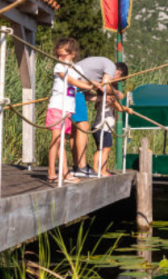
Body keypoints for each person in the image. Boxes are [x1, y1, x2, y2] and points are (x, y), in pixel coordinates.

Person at [46, 38, 102, 183]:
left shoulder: (77, 69)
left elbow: (81, 82)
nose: (60, 58)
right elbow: (71, 81)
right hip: (57, 106)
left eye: (63, 55)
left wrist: (93, 83)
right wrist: (88, 86)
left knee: (61, 141)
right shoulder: (59, 67)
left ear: (73, 54)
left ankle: (56, 172)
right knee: (56, 140)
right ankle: (58, 172)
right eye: (58, 55)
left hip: (68, 110)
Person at [70, 58, 128, 178]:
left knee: (74, 129)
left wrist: (102, 99)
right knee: (83, 126)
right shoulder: (111, 67)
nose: (115, 81)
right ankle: (82, 167)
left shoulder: (98, 73)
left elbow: (87, 97)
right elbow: (104, 87)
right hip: (74, 88)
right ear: (118, 73)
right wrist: (118, 94)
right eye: (119, 80)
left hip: (73, 89)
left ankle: (77, 166)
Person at [91, 91, 124, 177]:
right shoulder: (107, 101)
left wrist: (116, 96)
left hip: (101, 127)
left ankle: (96, 168)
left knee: (100, 149)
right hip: (102, 127)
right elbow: (120, 108)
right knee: (106, 149)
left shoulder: (105, 100)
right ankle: (102, 170)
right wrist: (127, 109)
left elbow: (121, 96)